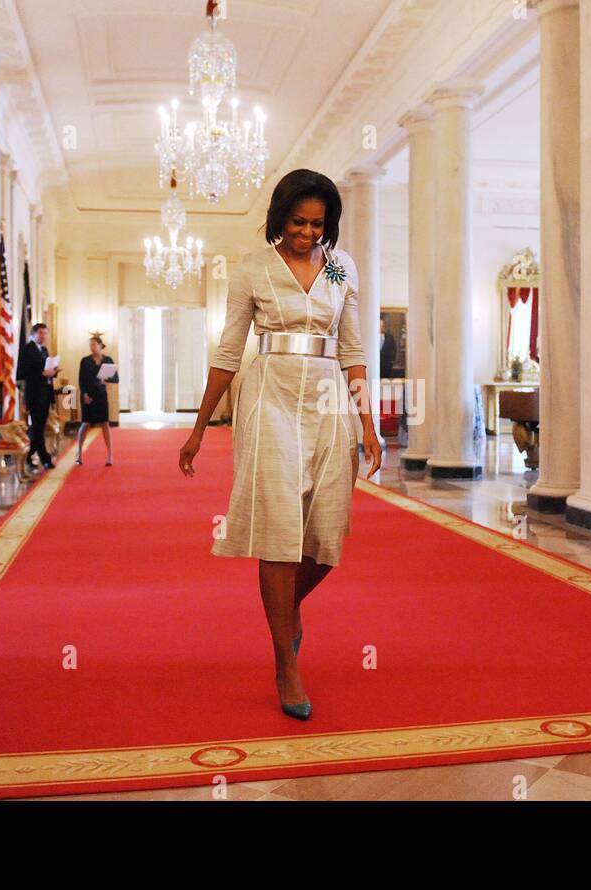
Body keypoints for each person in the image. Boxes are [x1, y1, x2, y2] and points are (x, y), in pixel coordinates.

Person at [178, 168, 381, 721]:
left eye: (318, 224)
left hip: (329, 398)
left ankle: (285, 609)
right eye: (298, 221)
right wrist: (199, 427)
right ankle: (284, 663)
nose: (308, 233)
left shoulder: (342, 268)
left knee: (328, 531)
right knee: (277, 527)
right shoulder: (253, 269)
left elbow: (354, 348)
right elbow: (228, 350)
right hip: (268, 394)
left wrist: (368, 421)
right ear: (279, 217)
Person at [15, 322, 58, 470]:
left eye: (45, 333)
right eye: (40, 332)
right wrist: (41, 373)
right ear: (33, 334)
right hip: (34, 394)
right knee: (38, 427)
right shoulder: (28, 349)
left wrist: (53, 371)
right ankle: (45, 458)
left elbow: (46, 369)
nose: (43, 335)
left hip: (45, 392)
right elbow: (21, 372)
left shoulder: (44, 350)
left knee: (39, 427)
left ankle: (29, 454)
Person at [75, 336, 118, 466]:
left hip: (101, 396)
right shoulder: (85, 361)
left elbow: (116, 379)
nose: (92, 347)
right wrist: (85, 395)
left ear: (100, 345)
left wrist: (106, 380)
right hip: (88, 396)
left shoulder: (108, 360)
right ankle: (79, 453)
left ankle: (110, 455)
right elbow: (81, 380)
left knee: (105, 424)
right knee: (85, 424)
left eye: (94, 344)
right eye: (90, 345)